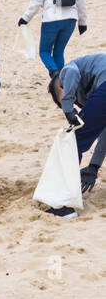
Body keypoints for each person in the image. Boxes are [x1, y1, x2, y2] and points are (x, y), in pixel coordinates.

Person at [50, 54, 106, 204]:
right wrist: (94, 166)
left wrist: (67, 108)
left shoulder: (66, 72)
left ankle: (64, 202)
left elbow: (71, 73)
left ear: (59, 88)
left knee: (74, 141)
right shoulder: (91, 90)